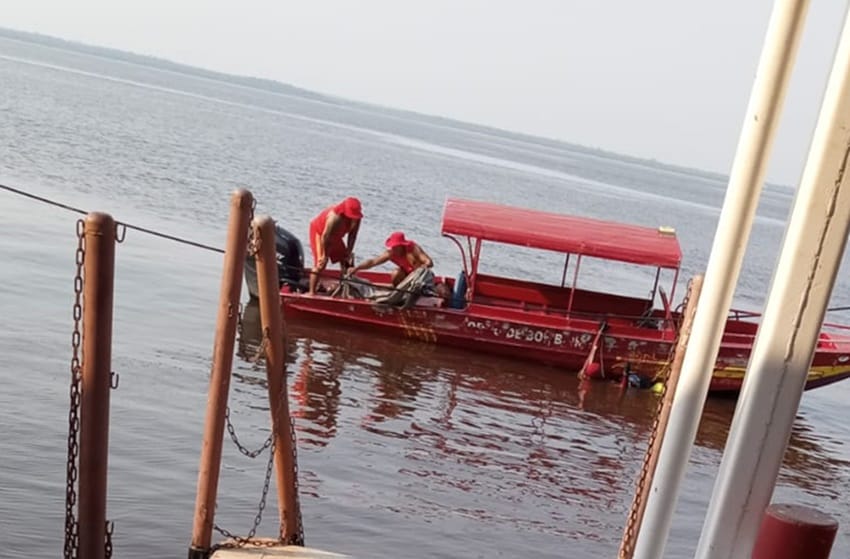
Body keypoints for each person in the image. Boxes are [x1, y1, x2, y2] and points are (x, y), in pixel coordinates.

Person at [308, 196, 363, 295]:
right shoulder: (335, 217)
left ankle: (344, 289)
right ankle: (312, 292)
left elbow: (353, 236)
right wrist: (324, 255)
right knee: (321, 264)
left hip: (336, 236)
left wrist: (348, 252)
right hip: (320, 233)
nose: (353, 218)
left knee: (345, 261)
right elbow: (325, 237)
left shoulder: (357, 219)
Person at [349, 231, 433, 286]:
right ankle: (399, 293)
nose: (394, 249)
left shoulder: (412, 248)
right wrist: (357, 268)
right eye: (393, 246)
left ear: (402, 245)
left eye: (396, 247)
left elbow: (429, 262)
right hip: (406, 276)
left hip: (419, 277)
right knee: (395, 273)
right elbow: (373, 262)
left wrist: (425, 265)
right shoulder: (390, 253)